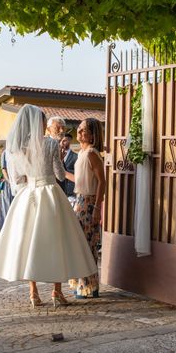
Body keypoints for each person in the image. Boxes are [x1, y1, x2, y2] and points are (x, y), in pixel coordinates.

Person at [0, 105, 97, 307]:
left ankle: (33, 293)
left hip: (28, 194)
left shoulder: (19, 147)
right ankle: (56, 292)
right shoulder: (50, 144)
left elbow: (17, 177)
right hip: (50, 193)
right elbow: (60, 174)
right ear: (40, 124)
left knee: (30, 243)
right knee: (59, 241)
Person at [67, 118, 106, 298]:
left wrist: (97, 207)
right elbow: (80, 180)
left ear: (93, 135)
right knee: (80, 244)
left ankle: (89, 286)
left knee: (87, 244)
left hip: (89, 203)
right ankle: (83, 284)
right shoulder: (81, 153)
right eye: (80, 130)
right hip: (80, 200)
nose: (80, 133)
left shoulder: (91, 153)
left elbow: (102, 182)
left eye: (84, 131)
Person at [0, 149, 14, 231]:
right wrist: (9, 181)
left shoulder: (20, 151)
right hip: (8, 185)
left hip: (17, 183)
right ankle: (5, 230)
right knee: (6, 208)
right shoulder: (5, 152)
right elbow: (3, 169)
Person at [60, 134, 78, 200]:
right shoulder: (56, 154)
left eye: (64, 140)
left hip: (70, 192)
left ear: (70, 141)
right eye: (61, 140)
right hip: (59, 189)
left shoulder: (76, 156)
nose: (62, 142)